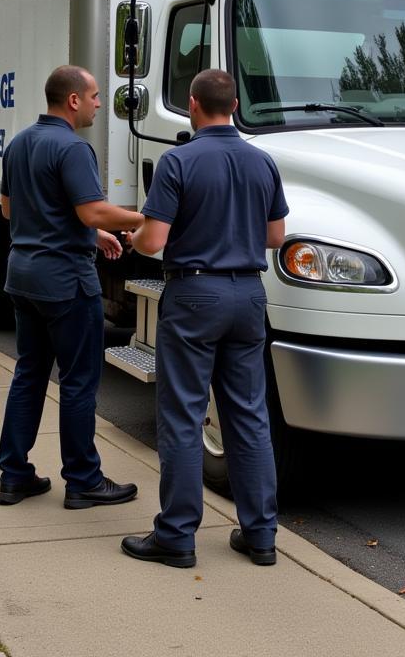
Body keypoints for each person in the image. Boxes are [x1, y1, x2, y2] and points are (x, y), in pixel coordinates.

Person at [121, 69, 288, 569]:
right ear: (234, 105)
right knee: (249, 416)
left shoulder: (178, 161)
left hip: (194, 294)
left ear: (193, 105)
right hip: (248, 296)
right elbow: (276, 236)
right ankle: (260, 536)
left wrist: (133, 237)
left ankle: (176, 535)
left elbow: (152, 242)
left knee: (184, 417)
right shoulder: (263, 162)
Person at [0, 64, 144, 508]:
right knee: (79, 382)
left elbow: (11, 211)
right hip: (65, 282)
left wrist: (88, 234)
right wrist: (149, 219)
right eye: (95, 96)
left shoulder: (19, 144)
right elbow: (93, 210)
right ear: (74, 100)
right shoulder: (74, 149)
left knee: (29, 374)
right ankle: (83, 480)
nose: (100, 104)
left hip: (23, 276)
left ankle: (14, 475)